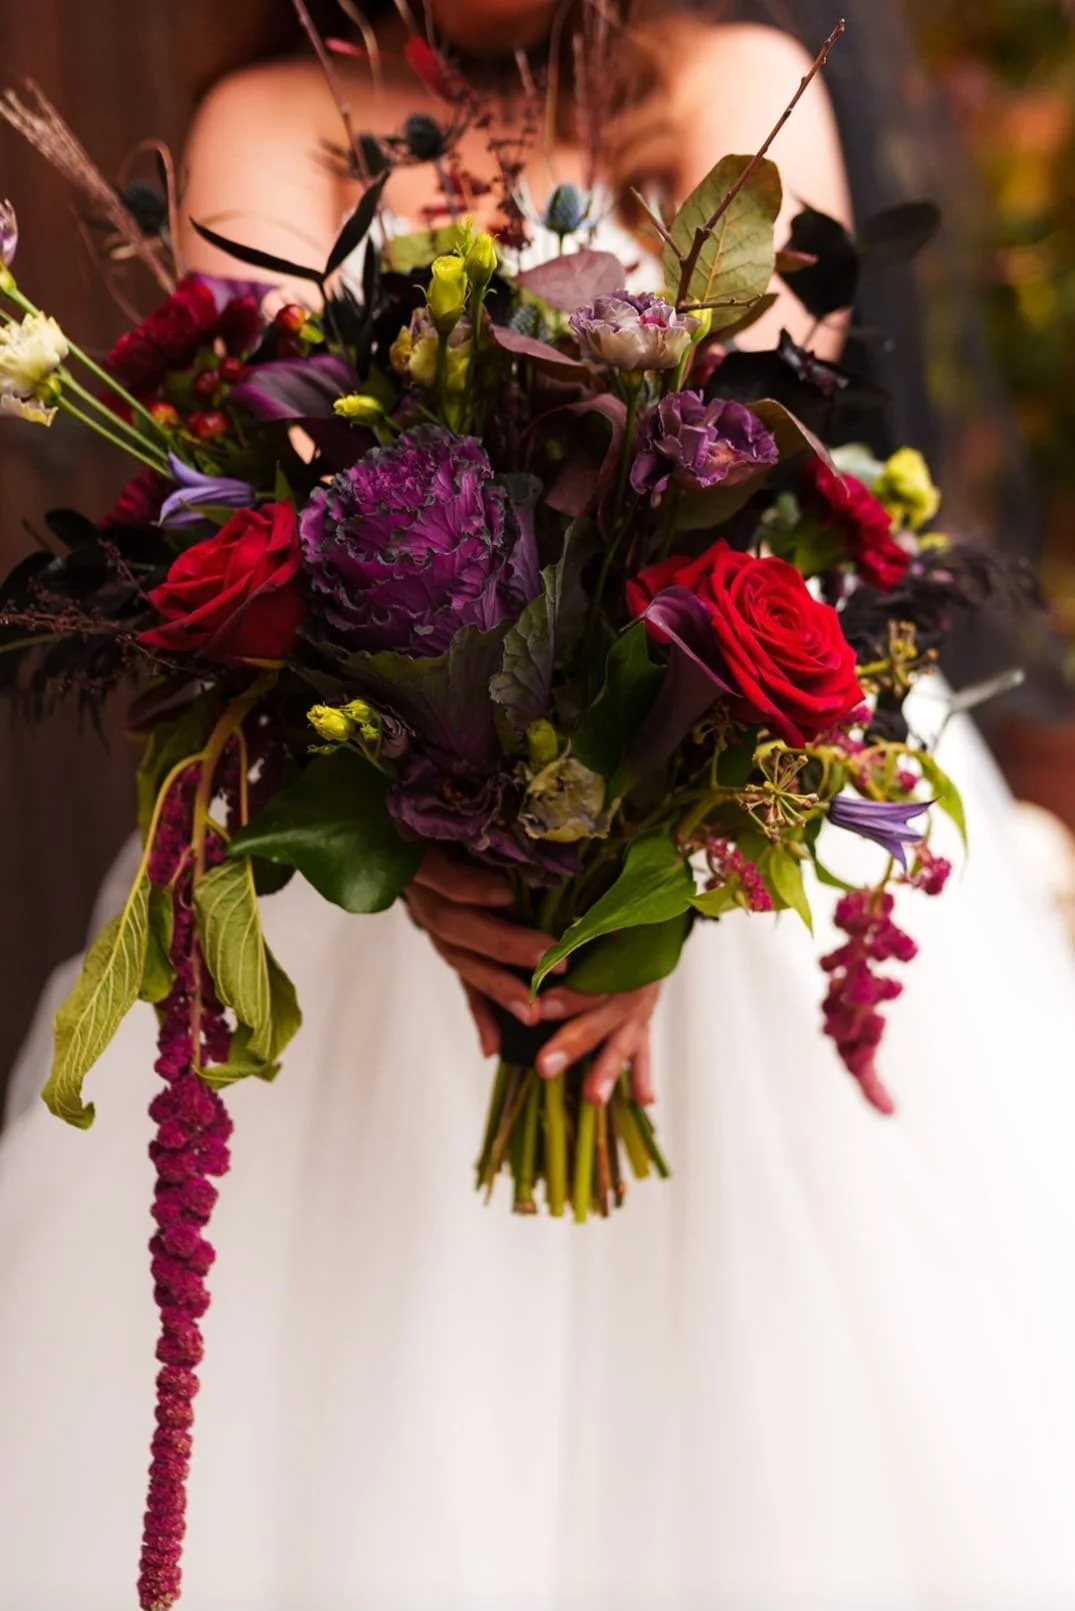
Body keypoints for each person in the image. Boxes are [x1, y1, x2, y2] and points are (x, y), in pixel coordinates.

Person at [3, 4, 1075, 1609]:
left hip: (735, 825)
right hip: (383, 879)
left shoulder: (736, 84)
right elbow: (300, 553)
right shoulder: (272, 120)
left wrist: (663, 885)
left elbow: (763, 521)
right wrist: (431, 853)